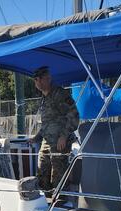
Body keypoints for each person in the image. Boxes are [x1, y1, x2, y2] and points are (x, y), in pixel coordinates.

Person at [28, 66, 80, 196]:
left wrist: (64, 136)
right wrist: (36, 138)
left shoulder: (60, 94)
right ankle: (45, 199)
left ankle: (60, 200)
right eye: (36, 79)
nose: (37, 82)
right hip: (46, 142)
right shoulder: (43, 99)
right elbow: (47, 124)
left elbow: (74, 115)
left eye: (40, 78)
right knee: (42, 170)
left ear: (48, 79)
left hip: (60, 142)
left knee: (58, 174)